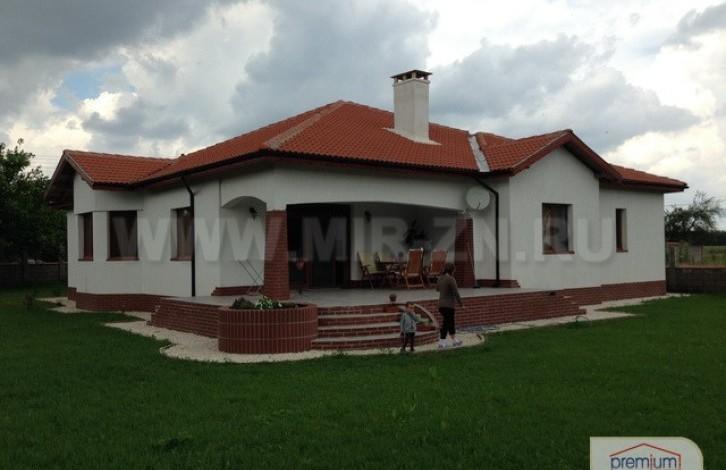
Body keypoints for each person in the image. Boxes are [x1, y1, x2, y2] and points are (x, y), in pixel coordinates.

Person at [436, 262, 463, 348]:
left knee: (448, 322)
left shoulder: (440, 278)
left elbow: (437, 289)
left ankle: (452, 340)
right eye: (454, 270)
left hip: (441, 305)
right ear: (452, 270)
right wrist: (461, 304)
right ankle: (443, 341)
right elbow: (456, 293)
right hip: (449, 305)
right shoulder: (451, 279)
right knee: (448, 323)